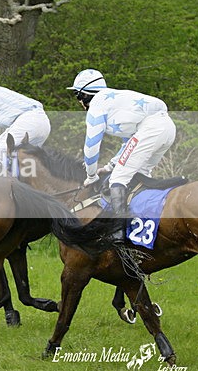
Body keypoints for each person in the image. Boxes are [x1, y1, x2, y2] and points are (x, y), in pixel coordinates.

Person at [68, 68, 177, 241]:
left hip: (152, 129)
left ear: (84, 95)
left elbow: (91, 145)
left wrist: (91, 174)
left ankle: (119, 233)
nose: (78, 102)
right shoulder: (116, 101)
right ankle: (144, 226)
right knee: (139, 176)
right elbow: (129, 144)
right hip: (168, 127)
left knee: (118, 178)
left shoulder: (97, 106)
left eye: (77, 96)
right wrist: (110, 166)